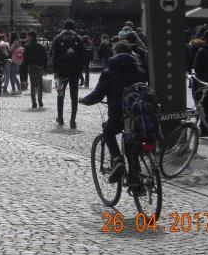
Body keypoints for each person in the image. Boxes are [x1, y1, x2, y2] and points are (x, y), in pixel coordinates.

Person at [80, 41, 148, 182]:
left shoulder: (109, 73)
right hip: (138, 115)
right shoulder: (140, 72)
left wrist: (84, 100)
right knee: (131, 139)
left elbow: (98, 95)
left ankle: (117, 160)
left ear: (115, 53)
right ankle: (136, 179)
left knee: (108, 132)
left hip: (119, 114)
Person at [51, 19, 85, 129]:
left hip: (61, 72)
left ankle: (60, 117)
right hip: (75, 72)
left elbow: (54, 56)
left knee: (60, 94)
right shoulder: (78, 39)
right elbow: (82, 57)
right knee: (74, 97)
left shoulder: (58, 39)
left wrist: (55, 71)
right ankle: (72, 120)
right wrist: (80, 73)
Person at [23, 30, 48, 108]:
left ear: (30, 37)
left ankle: (34, 102)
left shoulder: (27, 46)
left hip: (31, 66)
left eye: (28, 36)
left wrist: (26, 64)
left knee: (33, 84)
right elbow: (45, 57)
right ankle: (40, 100)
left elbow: (25, 57)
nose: (27, 37)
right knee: (40, 84)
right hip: (39, 66)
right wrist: (45, 67)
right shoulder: (40, 46)